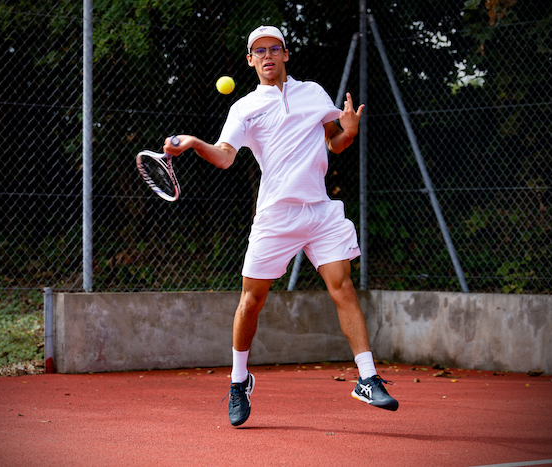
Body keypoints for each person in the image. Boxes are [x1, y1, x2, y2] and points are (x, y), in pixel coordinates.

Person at [163, 25, 398, 427]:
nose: (268, 56)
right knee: (251, 302)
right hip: (275, 216)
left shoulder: (313, 93)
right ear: (251, 61)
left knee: (342, 287)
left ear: (286, 54)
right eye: (259, 51)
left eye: (274, 49)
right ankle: (239, 381)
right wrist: (193, 143)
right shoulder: (244, 108)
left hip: (320, 212)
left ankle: (367, 377)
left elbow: (333, 141)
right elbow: (224, 157)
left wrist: (350, 131)